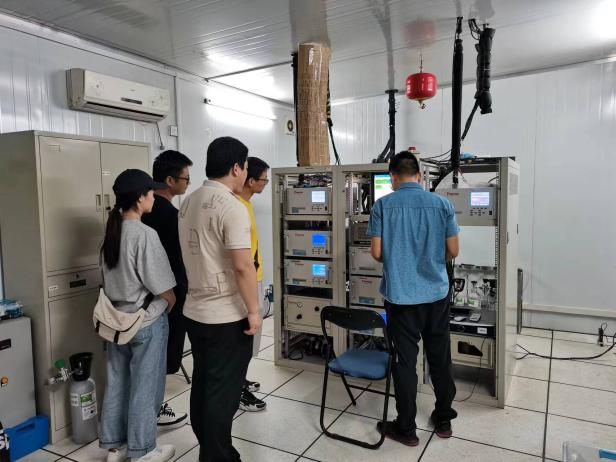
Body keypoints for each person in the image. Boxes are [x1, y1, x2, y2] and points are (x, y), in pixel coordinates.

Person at [368, 152, 460, 447]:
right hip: (436, 295)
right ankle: (443, 418)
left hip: (400, 298)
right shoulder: (442, 204)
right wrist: (431, 260)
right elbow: (453, 250)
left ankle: (406, 428)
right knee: (439, 356)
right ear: (419, 176)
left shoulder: (382, 206)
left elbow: (376, 252)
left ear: (393, 178)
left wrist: (399, 258)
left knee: (405, 362)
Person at [179, 137, 262, 462]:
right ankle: (218, 456)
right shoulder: (232, 206)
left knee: (203, 383)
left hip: (195, 312)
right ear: (236, 168)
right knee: (223, 393)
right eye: (246, 168)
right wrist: (254, 311)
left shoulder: (189, 200)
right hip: (226, 316)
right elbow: (243, 266)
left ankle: (210, 448)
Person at [99, 169, 177, 462]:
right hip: (145, 322)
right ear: (139, 198)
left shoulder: (111, 233)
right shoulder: (145, 234)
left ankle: (115, 447)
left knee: (117, 383)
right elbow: (163, 286)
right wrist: (170, 301)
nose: (154, 197)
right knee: (146, 386)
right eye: (151, 193)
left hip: (115, 322)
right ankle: (143, 450)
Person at [142, 150, 193, 428]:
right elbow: (176, 259)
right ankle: (152, 410)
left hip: (144, 297)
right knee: (161, 357)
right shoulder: (171, 216)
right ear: (170, 180)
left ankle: (149, 408)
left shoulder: (142, 213)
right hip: (168, 296)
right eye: (186, 178)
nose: (188, 183)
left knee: (148, 357)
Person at [237, 157, 270, 412]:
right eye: (264, 180)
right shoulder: (237, 207)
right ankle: (237, 390)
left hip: (254, 278)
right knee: (244, 337)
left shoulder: (246, 205)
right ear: (250, 180)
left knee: (249, 341)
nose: (266, 184)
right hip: (245, 282)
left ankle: (240, 380)